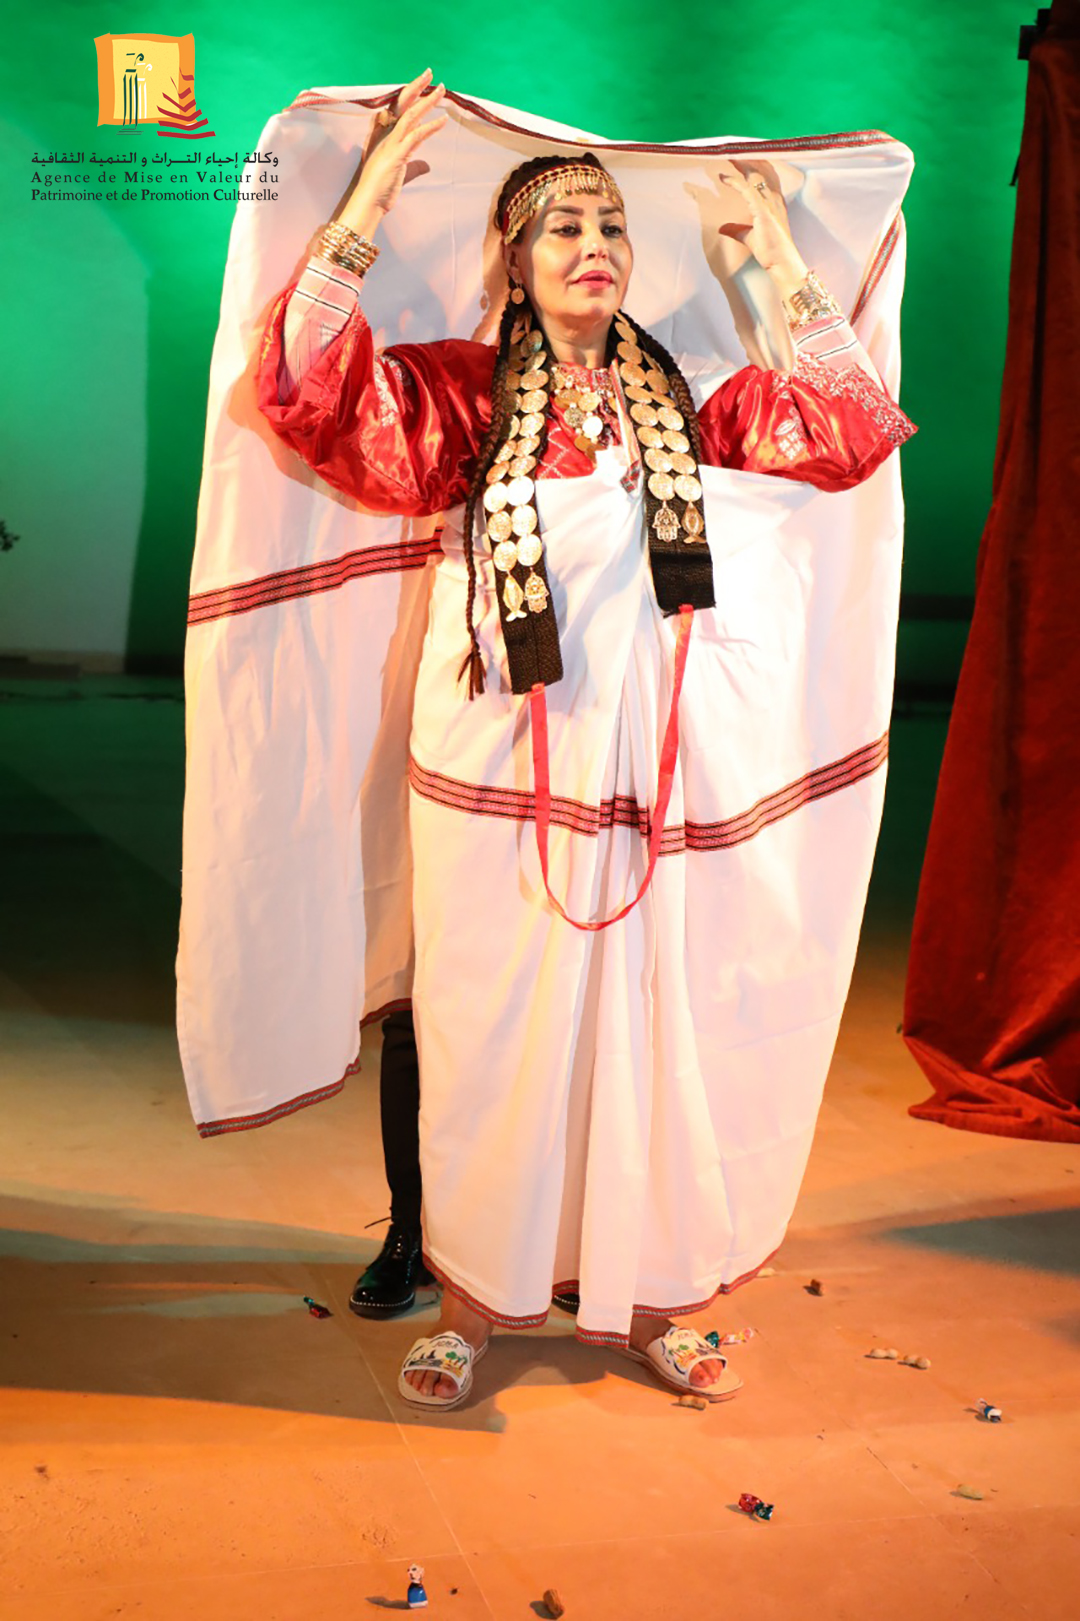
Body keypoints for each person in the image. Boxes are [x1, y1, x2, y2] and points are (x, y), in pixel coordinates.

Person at [258, 69, 915, 1409]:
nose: (594, 245)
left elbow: (848, 434)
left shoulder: (692, 400)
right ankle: (473, 1303)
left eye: (611, 225)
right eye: (562, 226)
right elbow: (310, 396)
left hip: (649, 769)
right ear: (513, 259)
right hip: (498, 765)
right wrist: (369, 200)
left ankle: (652, 1295)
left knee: (654, 1024)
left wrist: (779, 257)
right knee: (492, 1028)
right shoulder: (459, 395)